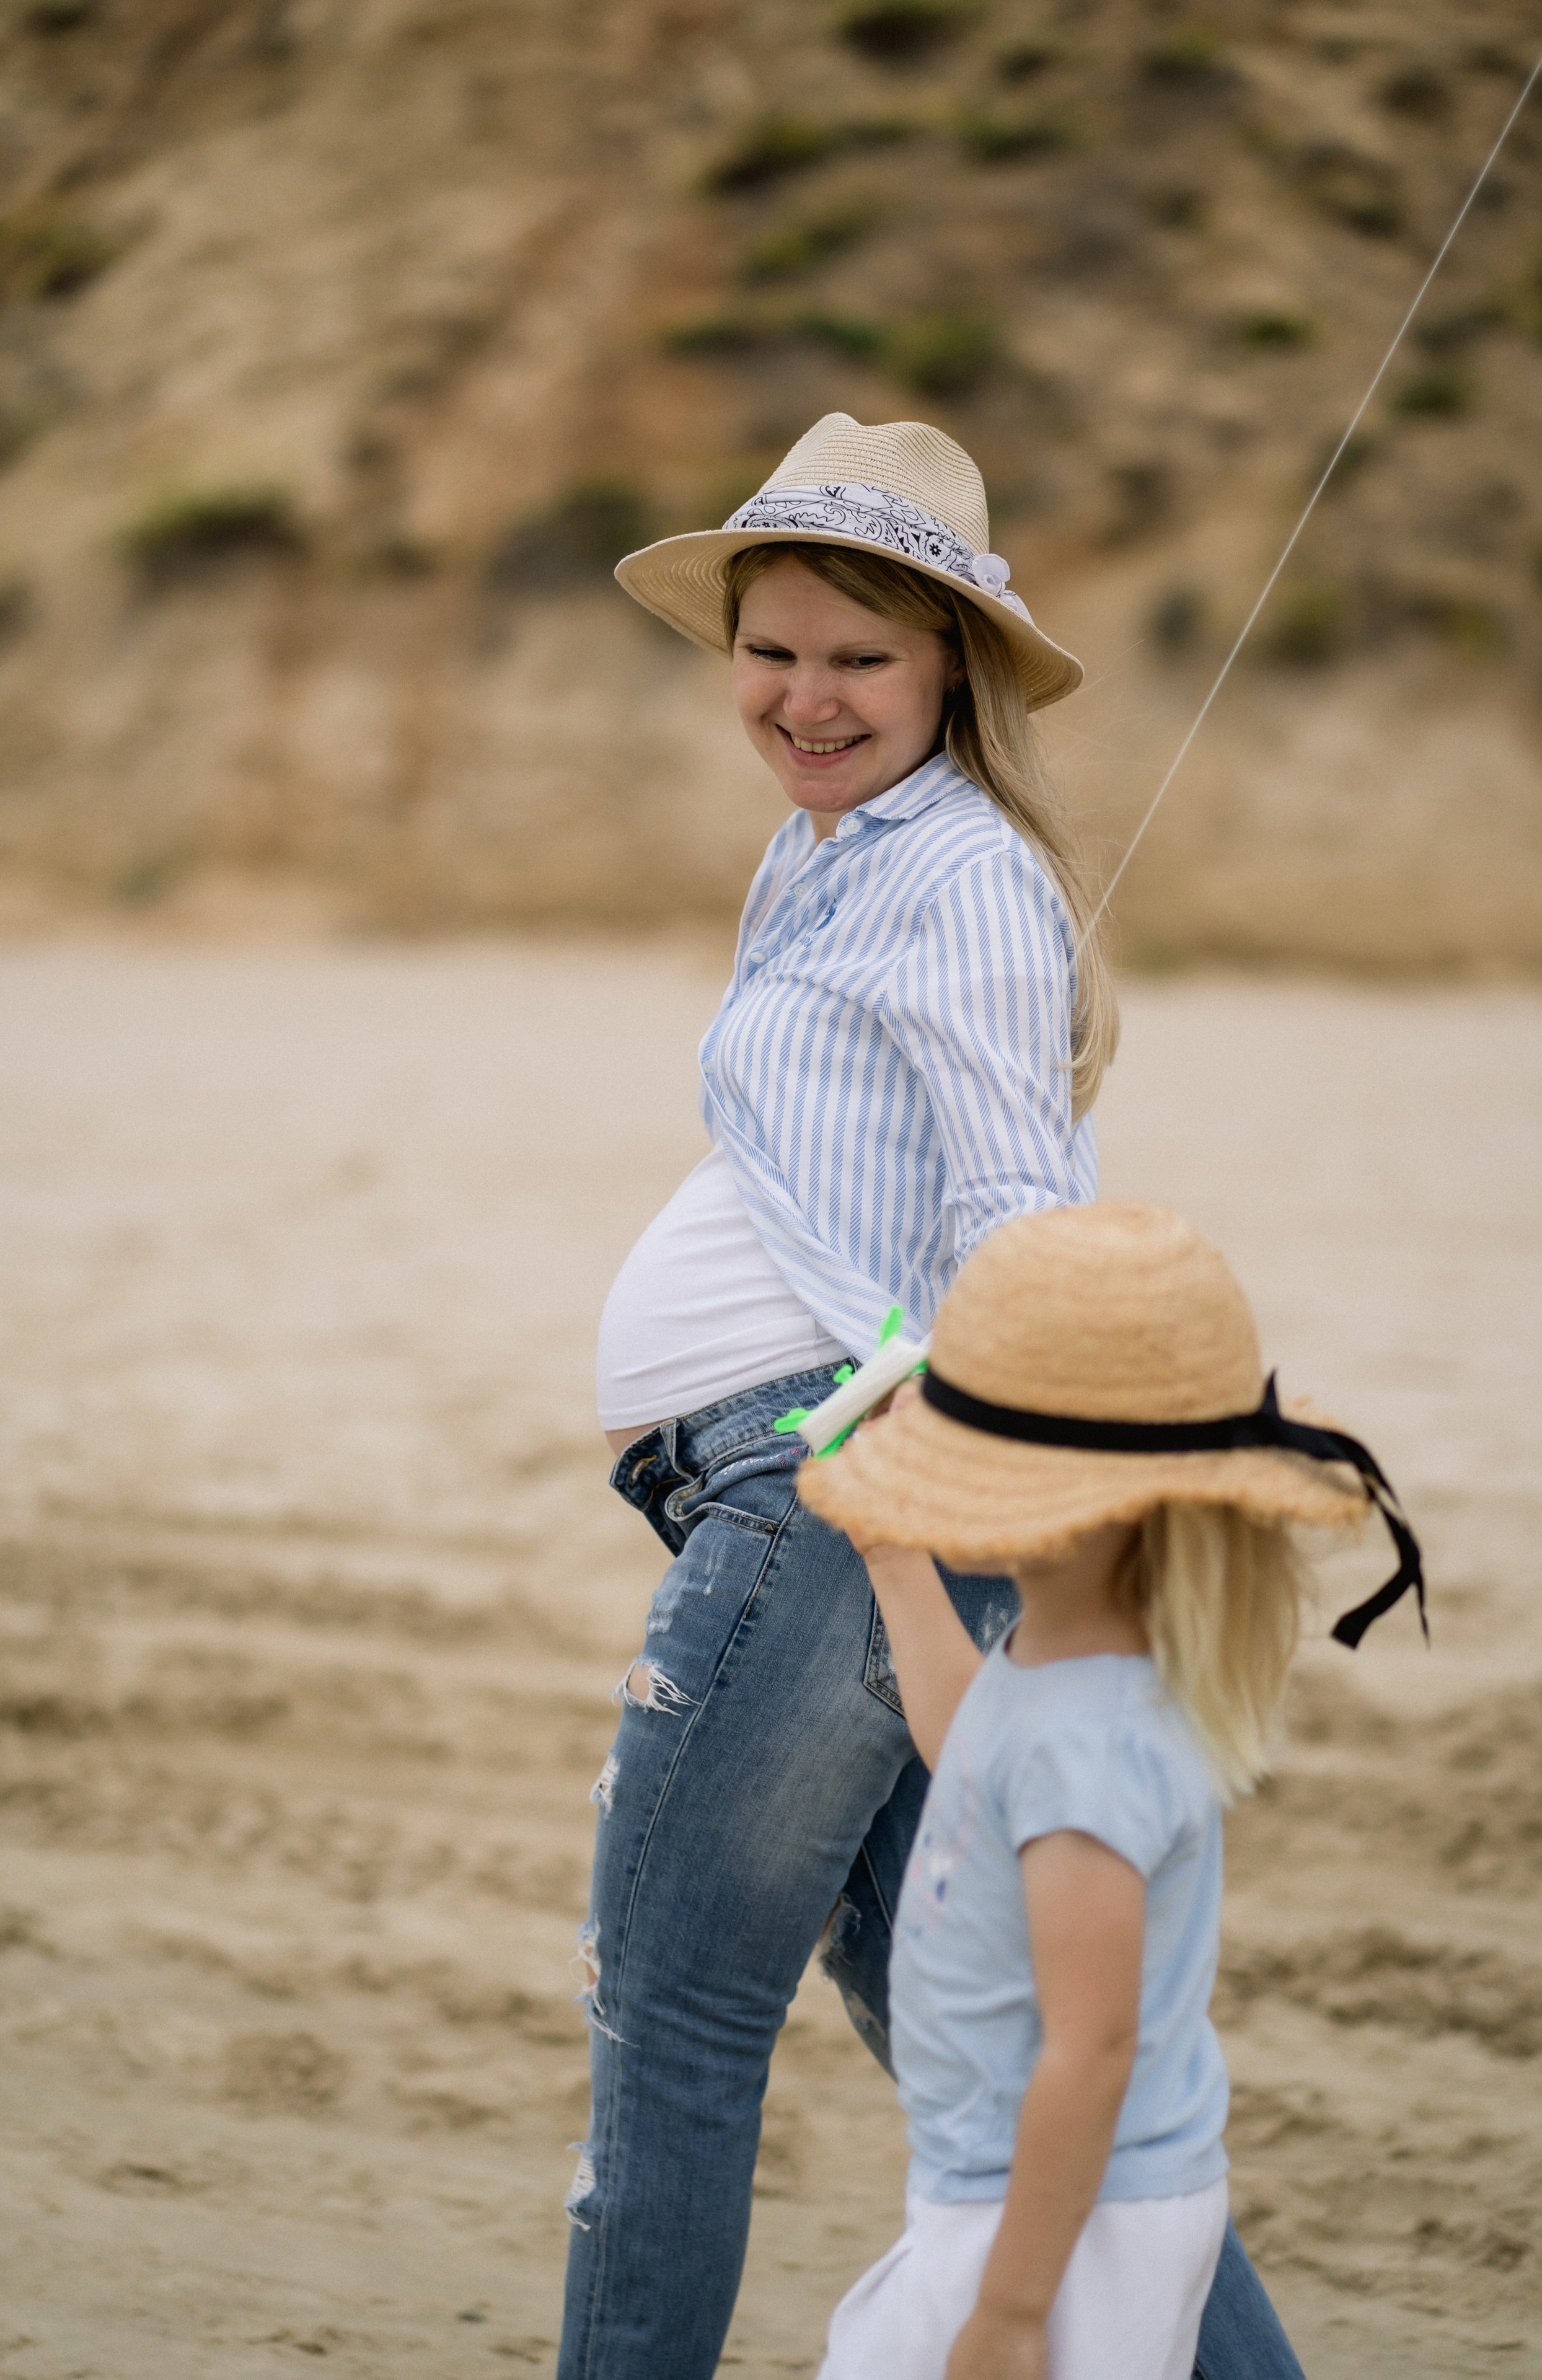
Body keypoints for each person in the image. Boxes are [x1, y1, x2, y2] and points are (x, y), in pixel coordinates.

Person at [560, 414, 1306, 2380]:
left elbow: (1012, 1221)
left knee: (676, 2029)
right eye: (775, 649)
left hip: (830, 1504)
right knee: (970, 2023)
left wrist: (993, 1500)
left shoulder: (960, 878)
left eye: (861, 660)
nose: (807, 699)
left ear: (951, 666)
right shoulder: (827, 853)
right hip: (826, 1509)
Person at [799, 1200, 1421, 2379]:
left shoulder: (1096, 1746)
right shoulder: (1063, 1660)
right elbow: (966, 1743)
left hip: (1062, 2226)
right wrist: (892, 1557)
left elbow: (1093, 2045)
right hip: (1025, 2194)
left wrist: (1016, 2309)